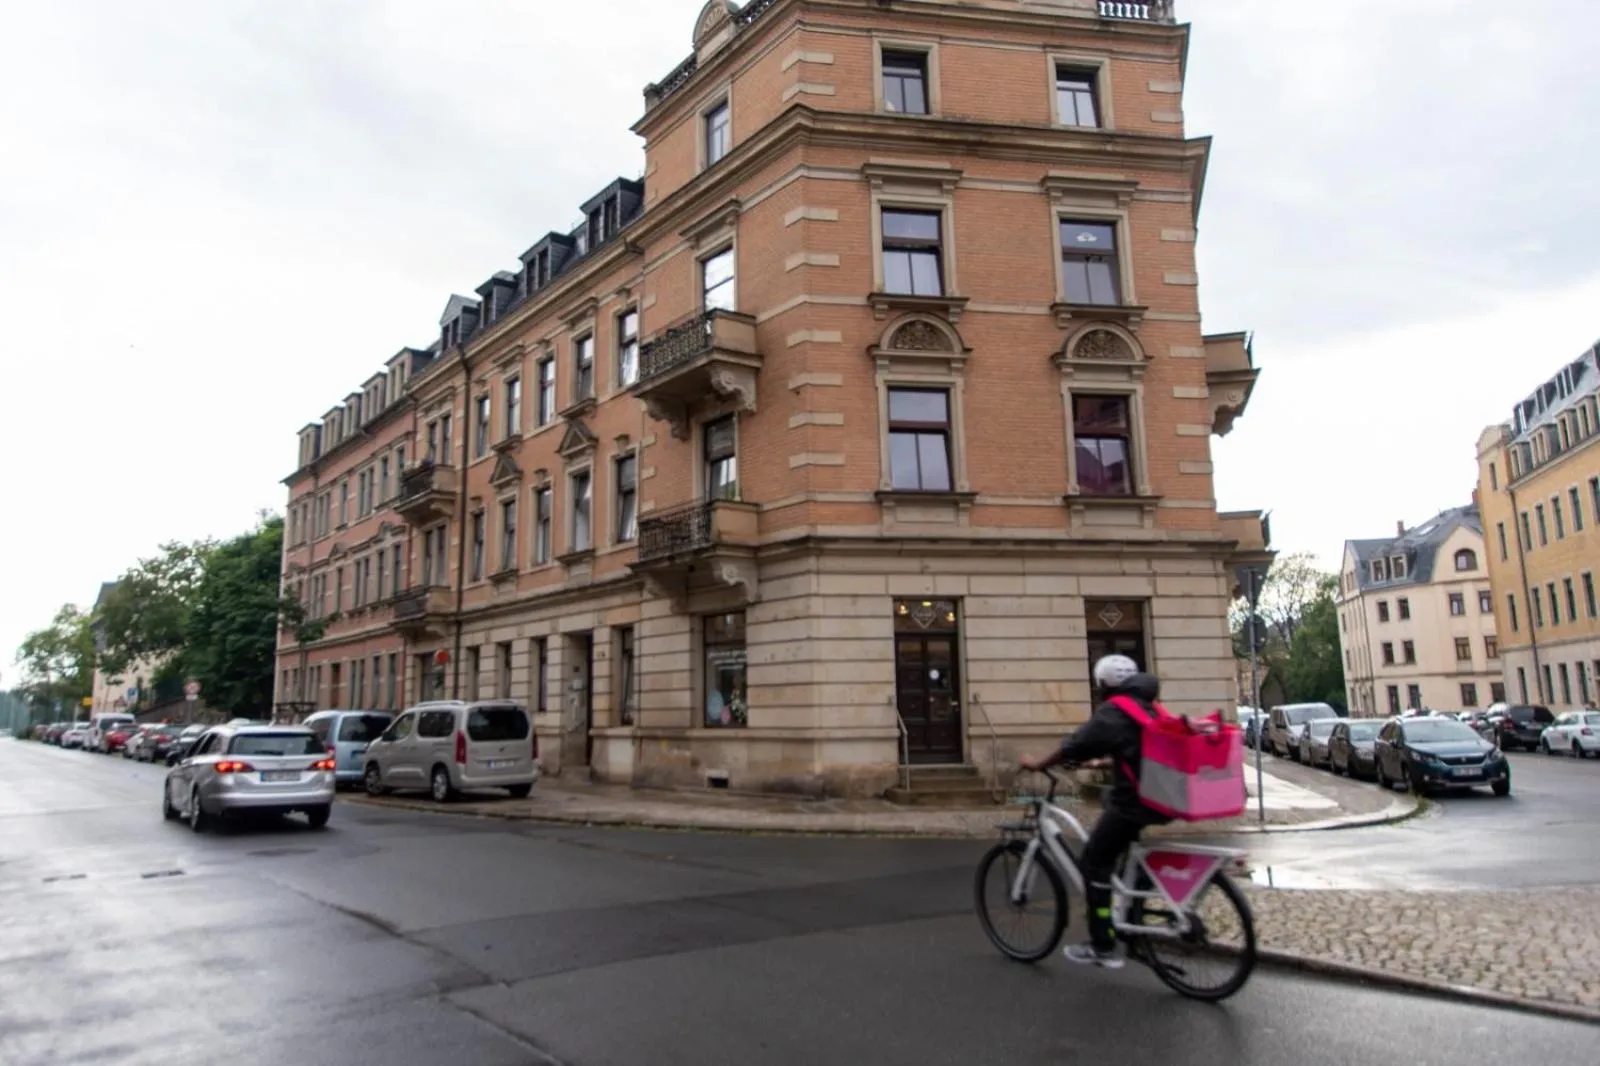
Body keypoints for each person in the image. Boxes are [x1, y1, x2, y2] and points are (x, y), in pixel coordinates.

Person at [1018, 653, 1171, 968]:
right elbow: (1137, 748)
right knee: (1122, 857)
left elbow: (1075, 744)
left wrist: (1038, 763)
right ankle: (1134, 921)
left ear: (1103, 684)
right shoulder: (1147, 706)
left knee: (1094, 862)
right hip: (1158, 797)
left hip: (1134, 803)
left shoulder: (1115, 711)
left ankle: (1103, 944)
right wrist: (1103, 761)